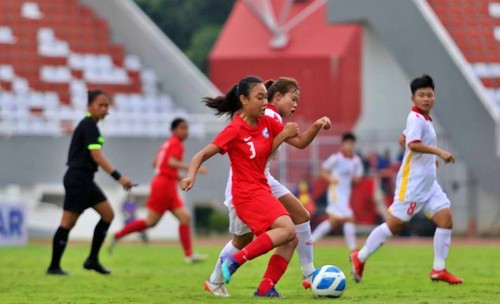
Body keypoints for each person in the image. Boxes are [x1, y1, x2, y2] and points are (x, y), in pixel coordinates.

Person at [204, 77, 331, 297]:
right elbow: (262, 153)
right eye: (293, 99)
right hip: (246, 183)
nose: (295, 105)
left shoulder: (270, 116)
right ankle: (216, 279)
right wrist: (283, 134)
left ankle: (296, 277)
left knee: (299, 218)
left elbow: (299, 143)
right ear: (278, 96)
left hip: (264, 179)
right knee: (243, 239)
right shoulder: (268, 114)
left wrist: (317, 126)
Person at [181, 76, 304, 297]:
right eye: (260, 97)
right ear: (244, 100)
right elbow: (203, 154)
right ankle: (232, 265)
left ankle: (262, 287)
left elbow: (277, 150)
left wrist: (313, 127)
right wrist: (191, 175)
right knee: (282, 231)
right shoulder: (235, 129)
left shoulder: (266, 121)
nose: (265, 102)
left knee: (283, 236)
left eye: (266, 97)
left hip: (261, 188)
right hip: (245, 193)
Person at [350, 74, 463, 284]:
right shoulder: (415, 118)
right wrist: (438, 152)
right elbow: (411, 144)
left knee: (445, 219)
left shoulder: (424, 119)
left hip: (429, 184)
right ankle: (360, 256)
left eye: (429, 94)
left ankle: (439, 269)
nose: (426, 98)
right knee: (395, 226)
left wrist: (427, 158)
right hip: (412, 184)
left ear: (434, 96)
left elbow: (403, 139)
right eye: (421, 95)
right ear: (413, 98)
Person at [47, 89, 134, 275]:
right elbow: (96, 156)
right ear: (89, 106)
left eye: (106, 106)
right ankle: (54, 267)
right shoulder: (88, 126)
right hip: (78, 179)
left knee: (108, 215)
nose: (104, 109)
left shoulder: (92, 126)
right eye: (100, 105)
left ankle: (92, 259)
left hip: (85, 180)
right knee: (67, 223)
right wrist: (119, 177)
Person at [109, 118, 208, 263]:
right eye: (182, 128)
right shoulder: (176, 143)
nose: (186, 131)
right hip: (163, 187)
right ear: (174, 130)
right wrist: (193, 168)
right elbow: (170, 162)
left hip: (166, 183)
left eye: (187, 128)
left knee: (185, 218)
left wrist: (175, 176)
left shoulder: (168, 143)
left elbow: (156, 163)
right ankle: (118, 235)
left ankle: (189, 255)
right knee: (151, 222)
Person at [311, 133, 363, 252]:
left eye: (351, 143)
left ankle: (311, 241)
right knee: (349, 218)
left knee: (333, 221)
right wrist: (330, 178)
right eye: (347, 143)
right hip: (335, 193)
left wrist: (355, 179)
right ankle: (353, 249)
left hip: (346, 194)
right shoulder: (336, 158)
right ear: (343, 144)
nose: (349, 146)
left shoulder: (357, 161)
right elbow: (323, 171)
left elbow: (358, 178)